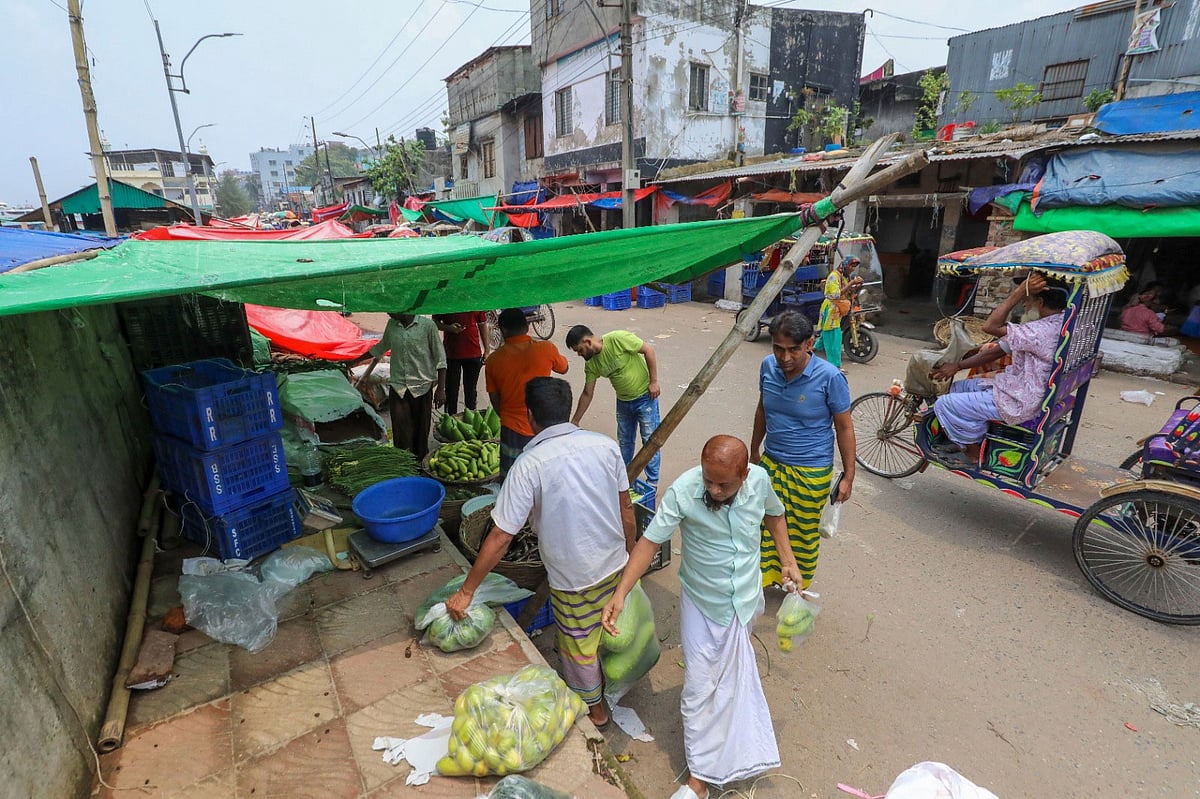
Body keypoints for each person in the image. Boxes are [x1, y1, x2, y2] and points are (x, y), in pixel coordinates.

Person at [602, 435, 802, 799]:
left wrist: (788, 560)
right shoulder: (683, 491)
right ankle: (700, 775)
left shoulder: (760, 482)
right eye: (708, 479)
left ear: (744, 474)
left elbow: (775, 513)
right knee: (698, 688)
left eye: (723, 484)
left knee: (727, 682)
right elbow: (648, 543)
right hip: (703, 605)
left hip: (744, 600)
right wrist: (620, 593)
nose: (713, 488)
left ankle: (730, 749)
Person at [446, 377, 635, 728]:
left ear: (530, 416)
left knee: (578, 644)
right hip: (615, 560)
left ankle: (596, 710)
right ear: (567, 409)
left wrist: (466, 591)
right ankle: (612, 681)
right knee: (611, 622)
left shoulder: (528, 464)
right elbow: (626, 508)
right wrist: (631, 552)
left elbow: (501, 535)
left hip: (573, 575)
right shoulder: (605, 445)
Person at [750, 311, 855, 590]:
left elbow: (844, 428)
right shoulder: (766, 367)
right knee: (763, 528)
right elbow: (762, 410)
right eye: (778, 349)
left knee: (801, 536)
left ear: (809, 343)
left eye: (793, 349)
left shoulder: (830, 377)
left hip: (810, 473)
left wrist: (848, 476)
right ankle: (766, 581)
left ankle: (797, 586)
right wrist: (753, 452)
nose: (785, 358)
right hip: (771, 464)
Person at [930, 273, 1068, 463]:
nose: (1024, 305)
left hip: (1022, 400)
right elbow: (996, 351)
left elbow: (989, 326)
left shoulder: (1039, 331)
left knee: (944, 403)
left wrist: (1018, 292)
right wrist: (958, 366)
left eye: (1026, 300)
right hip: (1019, 388)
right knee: (957, 388)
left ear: (1041, 302)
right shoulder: (1058, 323)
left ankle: (973, 452)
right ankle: (967, 435)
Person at [565, 325, 662, 486]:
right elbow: (587, 393)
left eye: (579, 350)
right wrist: (575, 421)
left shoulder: (617, 339)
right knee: (625, 442)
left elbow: (648, 350)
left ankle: (652, 482)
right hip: (623, 402)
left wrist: (654, 381)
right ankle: (625, 479)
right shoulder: (591, 364)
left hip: (645, 398)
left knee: (650, 440)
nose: (579, 354)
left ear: (587, 341)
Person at [485, 308, 570, 477]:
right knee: (544, 475)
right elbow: (564, 368)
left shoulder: (493, 360)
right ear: (527, 326)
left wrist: (506, 415)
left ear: (503, 330)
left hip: (512, 427)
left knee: (513, 476)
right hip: (544, 424)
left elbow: (494, 397)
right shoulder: (546, 348)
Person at [365, 313, 446, 459]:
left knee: (421, 433)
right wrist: (353, 361)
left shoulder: (428, 326)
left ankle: (420, 465)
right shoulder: (392, 325)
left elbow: (441, 359)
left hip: (422, 387)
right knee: (402, 434)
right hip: (399, 387)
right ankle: (405, 465)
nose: (389, 313)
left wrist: (441, 389)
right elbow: (381, 347)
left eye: (393, 310)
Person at [433, 311, 490, 415]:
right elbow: (434, 322)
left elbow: (482, 324)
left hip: (473, 353)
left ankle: (472, 420)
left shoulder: (475, 302)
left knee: (471, 392)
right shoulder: (446, 302)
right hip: (452, 354)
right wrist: (449, 328)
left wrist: (487, 350)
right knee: (451, 391)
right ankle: (451, 421)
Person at [815, 255, 864, 372]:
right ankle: (834, 366)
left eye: (854, 267)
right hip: (831, 309)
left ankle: (809, 352)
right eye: (851, 266)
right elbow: (836, 294)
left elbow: (848, 292)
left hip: (837, 310)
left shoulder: (843, 277)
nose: (853, 269)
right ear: (845, 265)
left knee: (826, 336)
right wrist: (852, 282)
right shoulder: (833, 276)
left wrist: (857, 285)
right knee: (834, 338)